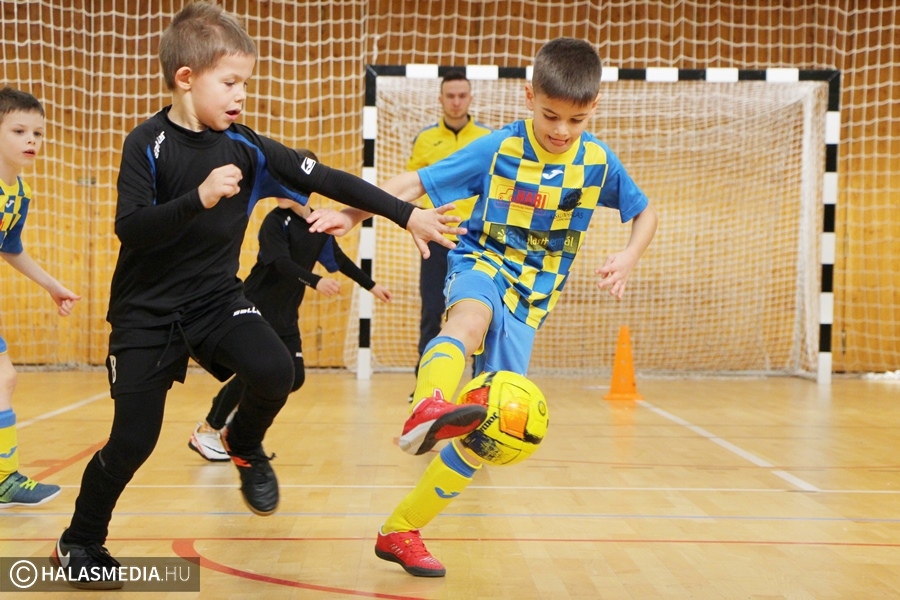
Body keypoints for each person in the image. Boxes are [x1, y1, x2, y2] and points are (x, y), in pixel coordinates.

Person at [50, 3, 462, 590]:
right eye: (230, 82)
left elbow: (330, 179)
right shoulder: (146, 143)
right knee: (132, 441)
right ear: (186, 78)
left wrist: (406, 214)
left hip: (215, 300)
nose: (241, 95)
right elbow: (131, 229)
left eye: (245, 82)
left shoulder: (247, 147)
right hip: (146, 314)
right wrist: (200, 198)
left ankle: (242, 441)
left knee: (277, 371)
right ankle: (82, 540)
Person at [309, 37, 658, 577]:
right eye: (550, 115)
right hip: (482, 261)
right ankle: (428, 405)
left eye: (576, 118)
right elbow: (414, 183)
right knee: (469, 319)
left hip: (534, 299)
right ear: (528, 96)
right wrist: (353, 216)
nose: (561, 130)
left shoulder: (597, 162)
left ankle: (401, 530)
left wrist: (630, 256)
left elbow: (645, 212)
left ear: (594, 109)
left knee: (490, 432)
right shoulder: (498, 146)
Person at [189, 149, 392, 461]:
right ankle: (210, 429)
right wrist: (315, 281)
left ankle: (231, 429)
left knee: (293, 377)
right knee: (259, 372)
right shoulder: (274, 222)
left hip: (285, 312)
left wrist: (372, 285)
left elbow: (338, 259)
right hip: (256, 305)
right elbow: (280, 262)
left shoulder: (317, 222)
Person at [0, 87, 81, 508]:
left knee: (4, 379)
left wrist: (52, 285)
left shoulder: (20, 194)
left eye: (38, 133)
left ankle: (4, 479)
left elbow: (9, 247)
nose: (31, 140)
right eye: (18, 130)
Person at [406, 71, 492, 401]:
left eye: (462, 95)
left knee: (480, 313)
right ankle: (425, 389)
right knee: (432, 312)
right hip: (437, 236)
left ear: (470, 98)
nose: (456, 101)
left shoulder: (487, 138)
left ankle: (477, 388)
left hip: (477, 240)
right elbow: (414, 185)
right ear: (441, 99)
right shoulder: (426, 139)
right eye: (450, 96)